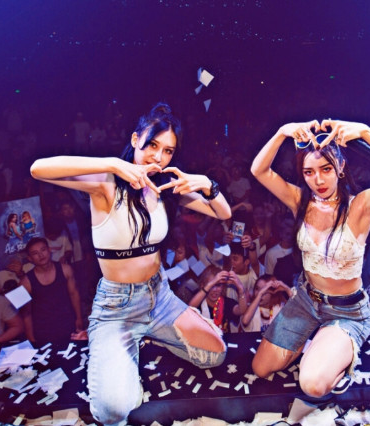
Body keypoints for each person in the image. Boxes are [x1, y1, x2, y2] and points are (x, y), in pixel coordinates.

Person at [29, 103, 231, 426]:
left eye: (168, 151)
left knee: (215, 353)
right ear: (135, 139)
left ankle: (152, 334)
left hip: (159, 297)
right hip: (117, 307)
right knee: (114, 411)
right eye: (152, 145)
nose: (158, 157)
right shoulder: (105, 184)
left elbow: (223, 213)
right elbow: (38, 168)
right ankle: (124, 349)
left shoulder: (164, 187)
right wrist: (112, 163)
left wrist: (207, 184)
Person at [250, 118, 370, 398]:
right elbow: (259, 170)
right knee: (261, 369)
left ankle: (333, 349)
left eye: (326, 169)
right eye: (309, 172)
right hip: (306, 301)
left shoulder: (360, 206)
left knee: (312, 385)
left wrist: (366, 133)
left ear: (340, 167)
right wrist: (281, 132)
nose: (318, 180)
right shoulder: (299, 201)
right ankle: (318, 345)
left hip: (346, 311)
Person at [20, 237, 85, 343]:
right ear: (30, 258)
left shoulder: (66, 269)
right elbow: (25, 314)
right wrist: (30, 338)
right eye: (35, 253)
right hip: (43, 331)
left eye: (43, 250)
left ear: (49, 250)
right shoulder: (24, 283)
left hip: (68, 324)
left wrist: (79, 318)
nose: (41, 255)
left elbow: (74, 294)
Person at [189, 265, 248, 333]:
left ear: (223, 287)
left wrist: (240, 288)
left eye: (218, 285)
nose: (215, 290)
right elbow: (190, 307)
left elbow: (241, 310)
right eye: (212, 285)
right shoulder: (199, 301)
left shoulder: (226, 302)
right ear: (203, 285)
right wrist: (210, 284)